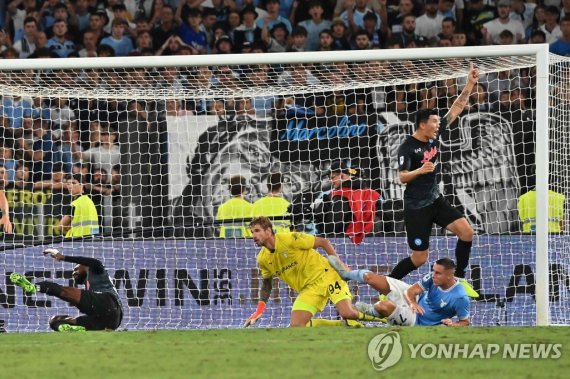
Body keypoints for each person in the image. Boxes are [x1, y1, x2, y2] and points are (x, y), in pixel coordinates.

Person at [390, 64, 480, 298]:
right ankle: (387, 286)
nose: (438, 124)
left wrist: (469, 84)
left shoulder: (435, 135)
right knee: (420, 258)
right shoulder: (407, 147)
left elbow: (457, 108)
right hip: (416, 207)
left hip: (435, 200)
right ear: (422, 124)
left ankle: (459, 279)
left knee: (466, 232)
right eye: (434, 122)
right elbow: (401, 177)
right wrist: (420, 171)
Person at [243, 217, 384, 328]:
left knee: (347, 312)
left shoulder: (290, 239)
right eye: (252, 232)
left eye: (257, 231)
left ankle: (383, 319)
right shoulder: (262, 258)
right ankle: (343, 324)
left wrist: (341, 267)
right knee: (297, 326)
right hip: (309, 289)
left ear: (268, 231)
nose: (253, 235)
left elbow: (323, 242)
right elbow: (266, 284)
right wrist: (259, 310)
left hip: (328, 276)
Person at [328, 257, 470, 326]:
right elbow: (411, 292)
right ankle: (346, 274)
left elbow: (465, 322)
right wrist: (413, 303)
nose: (434, 275)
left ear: (450, 276)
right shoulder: (432, 278)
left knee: (383, 306)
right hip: (414, 301)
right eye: (434, 271)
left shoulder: (460, 297)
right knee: (369, 277)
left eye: (438, 273)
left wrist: (453, 324)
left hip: (417, 321)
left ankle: (370, 312)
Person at [10, 248, 123, 332]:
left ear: (84, 265)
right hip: (111, 321)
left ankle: (34, 287)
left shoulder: (96, 270)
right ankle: (72, 329)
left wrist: (63, 257)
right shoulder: (90, 286)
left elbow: (94, 262)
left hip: (109, 302)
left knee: (62, 291)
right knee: (54, 321)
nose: (73, 273)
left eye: (76, 268)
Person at [317, 161, 382, 244]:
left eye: (332, 178)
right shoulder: (371, 193)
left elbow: (332, 228)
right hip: (375, 241)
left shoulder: (341, 196)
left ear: (341, 175)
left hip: (347, 244)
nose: (331, 181)